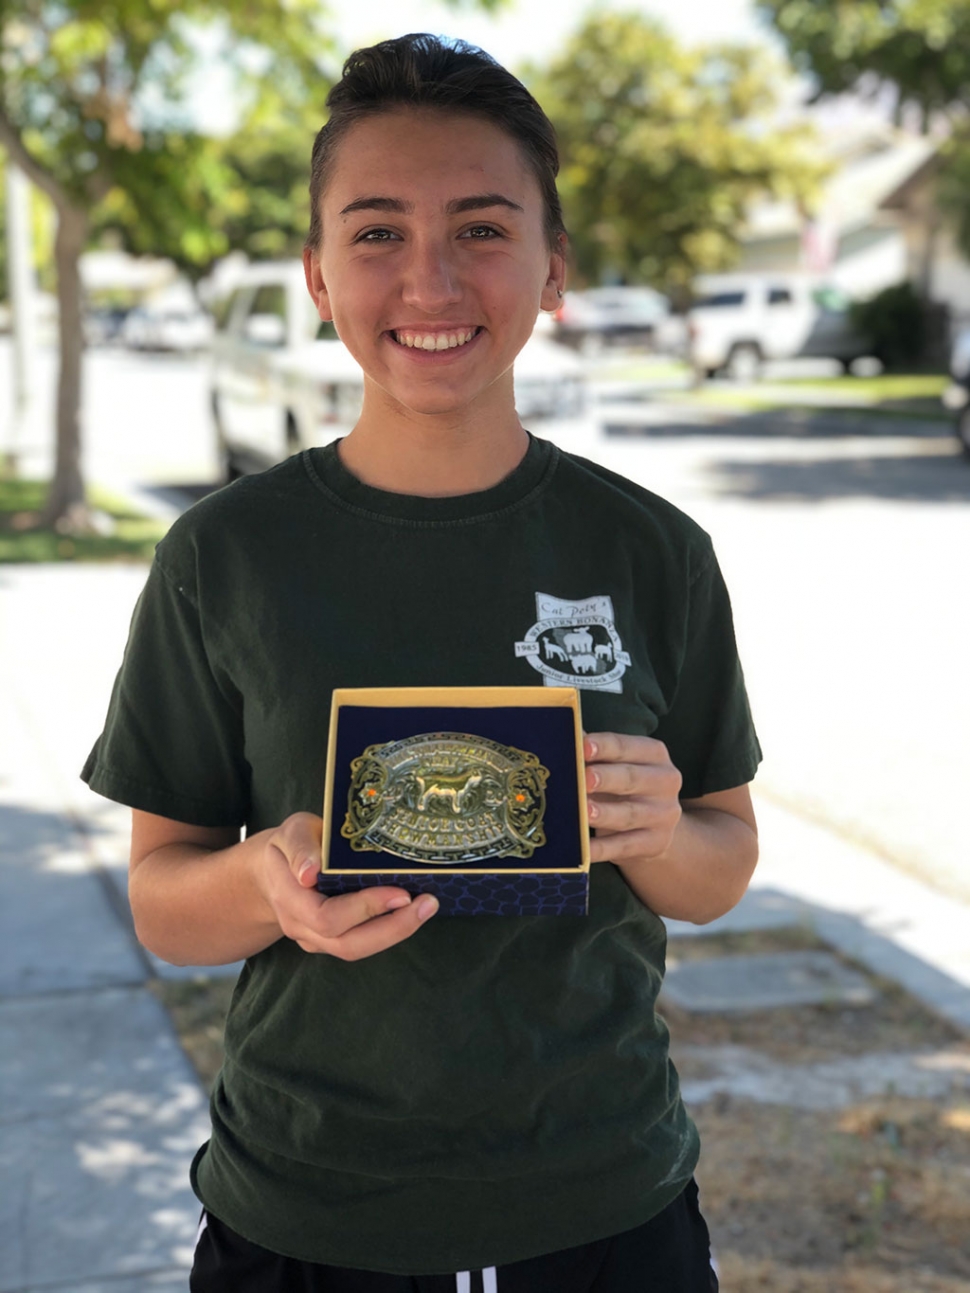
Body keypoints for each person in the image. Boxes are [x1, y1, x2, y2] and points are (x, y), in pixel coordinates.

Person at [82, 32, 761, 1293]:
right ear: (318, 277)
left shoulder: (652, 549)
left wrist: (657, 829)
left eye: (484, 229)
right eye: (378, 231)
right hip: (307, 1209)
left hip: (604, 1200)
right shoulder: (220, 556)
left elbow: (720, 863)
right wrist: (263, 884)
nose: (430, 281)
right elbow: (164, 899)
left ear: (555, 269)